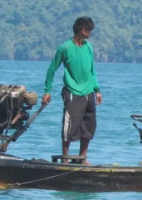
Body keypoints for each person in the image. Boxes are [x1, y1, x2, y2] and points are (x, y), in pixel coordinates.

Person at [42, 16, 103, 166]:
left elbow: (92, 70)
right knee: (69, 128)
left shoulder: (88, 47)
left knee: (89, 126)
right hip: (72, 93)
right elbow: (51, 70)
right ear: (83, 30)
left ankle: (83, 157)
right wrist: (47, 91)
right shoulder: (65, 48)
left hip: (88, 93)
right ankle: (65, 158)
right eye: (89, 30)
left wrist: (97, 90)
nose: (90, 33)